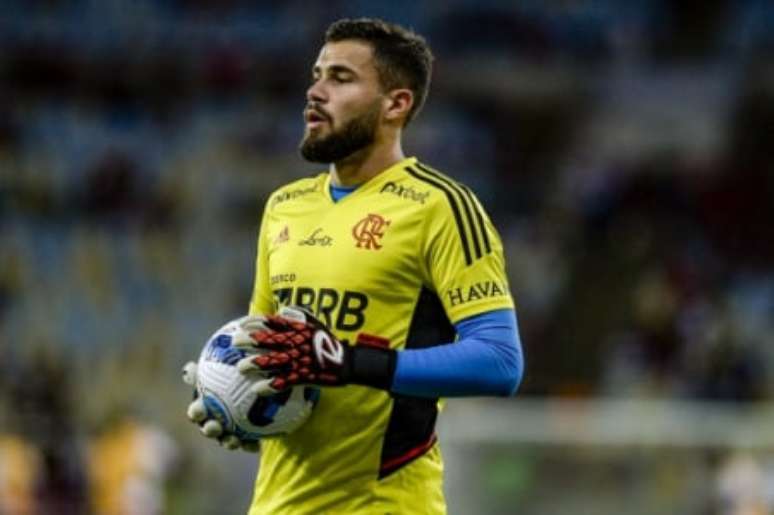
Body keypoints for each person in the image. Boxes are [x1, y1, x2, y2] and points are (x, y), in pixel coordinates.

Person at [186, 17, 524, 515]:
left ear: (396, 103)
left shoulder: (440, 207)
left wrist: (349, 364)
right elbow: (271, 349)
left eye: (340, 78)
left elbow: (500, 361)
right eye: (316, 74)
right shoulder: (285, 205)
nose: (314, 91)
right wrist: (239, 404)